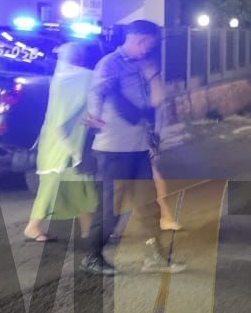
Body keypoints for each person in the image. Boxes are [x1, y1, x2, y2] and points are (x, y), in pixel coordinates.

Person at [77, 20, 186, 275]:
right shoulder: (110, 64)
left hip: (138, 148)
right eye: (149, 44)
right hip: (114, 149)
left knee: (149, 205)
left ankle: (155, 256)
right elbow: (96, 93)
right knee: (111, 209)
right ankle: (92, 257)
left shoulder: (143, 65)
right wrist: (95, 116)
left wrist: (153, 138)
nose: (150, 49)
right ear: (139, 39)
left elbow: (154, 103)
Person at [22, 41, 102, 243]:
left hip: (56, 143)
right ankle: (33, 226)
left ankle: (88, 231)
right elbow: (101, 81)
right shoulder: (81, 78)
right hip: (64, 146)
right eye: (81, 55)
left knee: (78, 186)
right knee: (63, 186)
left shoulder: (62, 77)